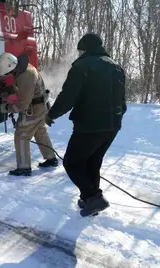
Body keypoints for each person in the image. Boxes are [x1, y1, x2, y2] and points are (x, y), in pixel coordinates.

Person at [46, 33, 127, 217]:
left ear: (85, 49)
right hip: (113, 125)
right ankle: (89, 201)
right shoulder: (116, 66)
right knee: (92, 162)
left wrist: (51, 114)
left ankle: (93, 197)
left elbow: (68, 96)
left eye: (80, 50)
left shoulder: (82, 66)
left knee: (72, 163)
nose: (79, 54)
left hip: (90, 124)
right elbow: (122, 100)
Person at [0, 52, 58, 176]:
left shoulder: (26, 76)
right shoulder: (25, 69)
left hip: (33, 110)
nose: (9, 75)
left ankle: (24, 167)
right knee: (40, 132)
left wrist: (6, 107)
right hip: (39, 107)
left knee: (21, 135)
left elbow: (23, 104)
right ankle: (51, 158)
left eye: (8, 73)